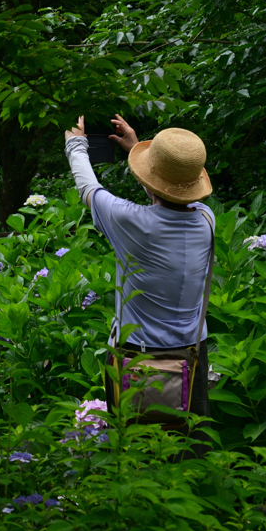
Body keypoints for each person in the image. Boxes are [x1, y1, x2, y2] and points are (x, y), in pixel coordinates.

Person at [64, 114, 215, 421]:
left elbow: (87, 187)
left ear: (152, 179)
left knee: (133, 454)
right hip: (192, 357)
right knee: (189, 451)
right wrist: (138, 149)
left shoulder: (130, 222)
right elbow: (169, 193)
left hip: (136, 360)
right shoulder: (205, 219)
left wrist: (75, 143)